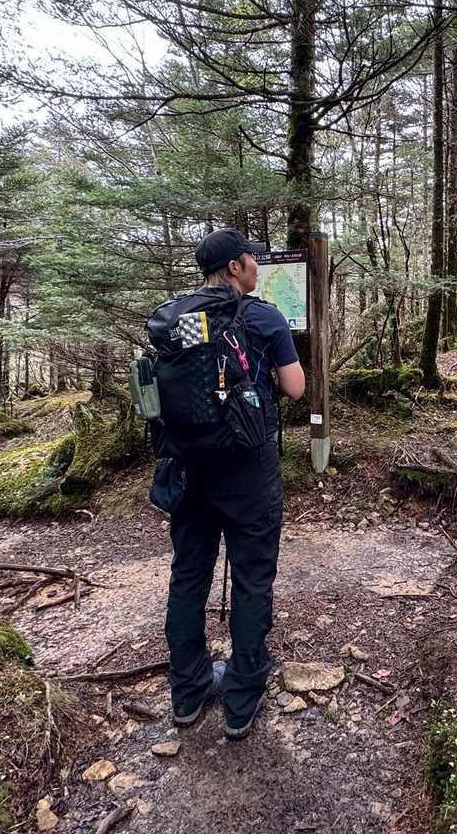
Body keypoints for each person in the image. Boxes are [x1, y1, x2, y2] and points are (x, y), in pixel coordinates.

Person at [163, 228, 305, 740]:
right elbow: (295, 388)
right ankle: (242, 700)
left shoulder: (181, 319)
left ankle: (188, 691)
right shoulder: (264, 317)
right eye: (251, 259)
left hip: (190, 469)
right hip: (249, 468)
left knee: (189, 576)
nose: (256, 267)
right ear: (235, 267)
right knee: (251, 578)